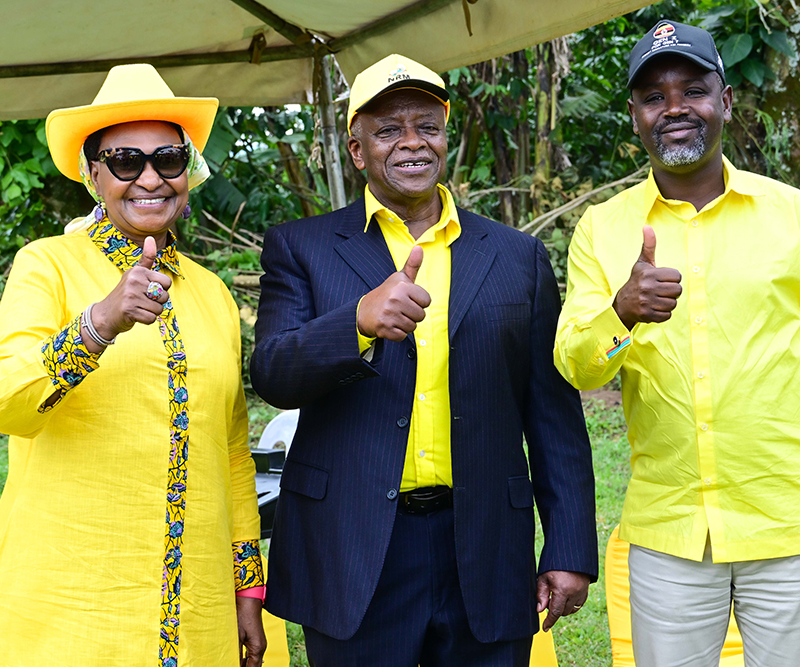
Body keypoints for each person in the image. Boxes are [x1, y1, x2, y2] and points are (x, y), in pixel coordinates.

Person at [554, 20, 800, 667]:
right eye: (653, 96)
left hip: (796, 529)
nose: (674, 108)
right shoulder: (603, 229)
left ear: (726, 100)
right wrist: (622, 310)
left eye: (693, 90)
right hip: (669, 535)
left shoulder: (795, 217)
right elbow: (575, 364)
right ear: (634, 115)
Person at [250, 54, 597, 666]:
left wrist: (569, 546)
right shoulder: (301, 248)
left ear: (444, 137)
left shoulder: (517, 256)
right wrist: (355, 324)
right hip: (353, 548)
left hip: (485, 542)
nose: (411, 144)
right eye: (388, 130)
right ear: (356, 149)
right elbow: (274, 373)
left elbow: (551, 411)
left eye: (426, 127)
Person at [0, 64, 267, 667]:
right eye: (127, 161)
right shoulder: (47, 265)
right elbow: (0, 399)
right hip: (69, 607)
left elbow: (233, 450)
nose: (151, 178)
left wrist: (247, 588)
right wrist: (99, 323)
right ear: (93, 174)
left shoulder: (211, 293)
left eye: (169, 159)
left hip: (197, 607)